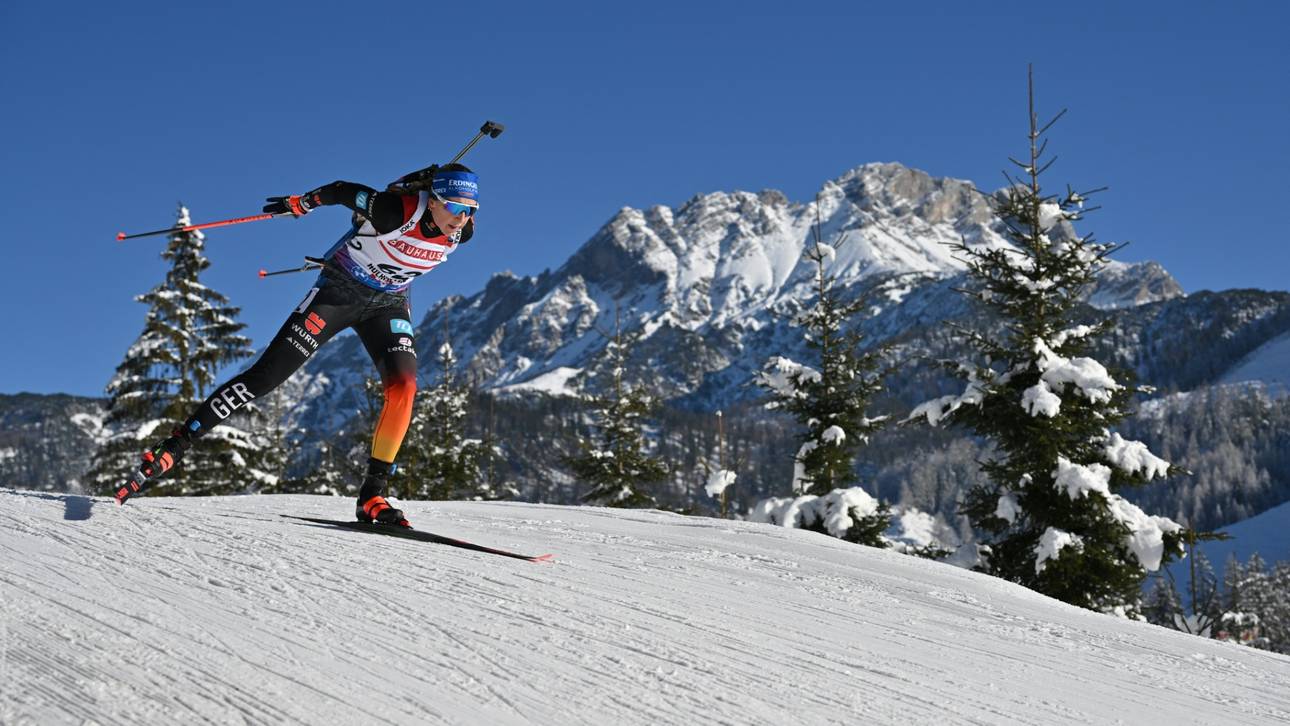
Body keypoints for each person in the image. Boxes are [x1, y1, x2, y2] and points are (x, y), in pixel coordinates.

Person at [113, 164, 482, 527]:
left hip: (388, 305)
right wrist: (303, 202)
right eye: (453, 206)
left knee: (404, 387)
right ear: (432, 199)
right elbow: (341, 189)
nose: (460, 218)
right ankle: (176, 444)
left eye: (469, 211)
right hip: (340, 293)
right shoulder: (392, 210)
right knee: (266, 377)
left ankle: (373, 494)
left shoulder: (461, 233)